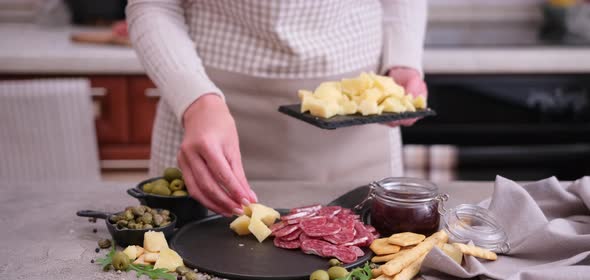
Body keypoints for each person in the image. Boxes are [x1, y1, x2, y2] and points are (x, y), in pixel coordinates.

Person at [126, 0, 428, 217]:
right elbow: (153, 5)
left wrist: (402, 60)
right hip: (208, 109)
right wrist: (195, 101)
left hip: (356, 125)